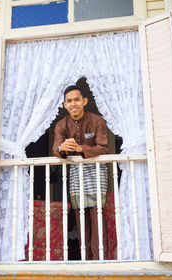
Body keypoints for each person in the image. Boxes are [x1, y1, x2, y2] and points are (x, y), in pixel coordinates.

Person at [53, 85, 109, 260]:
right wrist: (62, 148)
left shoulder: (97, 120)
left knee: (97, 216)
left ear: (84, 101)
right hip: (77, 172)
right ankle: (85, 261)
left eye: (77, 99)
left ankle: (100, 261)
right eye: (69, 101)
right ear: (64, 104)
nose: (73, 104)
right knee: (80, 216)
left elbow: (104, 147)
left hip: (96, 170)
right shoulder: (61, 125)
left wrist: (81, 148)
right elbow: (56, 147)